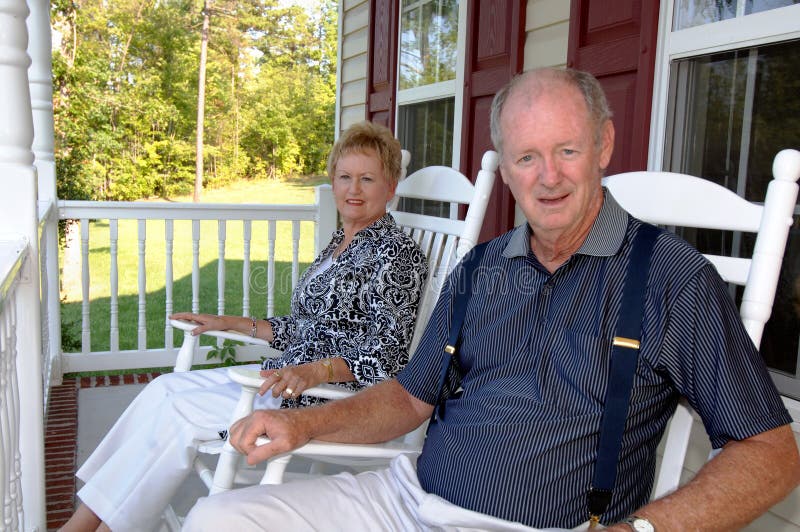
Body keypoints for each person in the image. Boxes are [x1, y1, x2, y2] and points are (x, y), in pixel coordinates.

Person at [182, 68, 800, 531]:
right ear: (505, 168)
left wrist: (642, 530)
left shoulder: (672, 279)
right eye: (526, 157)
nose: (548, 177)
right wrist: (300, 423)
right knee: (217, 521)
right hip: (406, 498)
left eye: (567, 150)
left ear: (604, 146)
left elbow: (771, 454)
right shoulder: (481, 269)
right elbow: (408, 395)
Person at [60, 120, 429, 532]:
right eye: (345, 177)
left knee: (178, 413)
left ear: (391, 186)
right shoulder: (340, 242)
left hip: (322, 396)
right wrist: (230, 322)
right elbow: (306, 329)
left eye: (367, 179)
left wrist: (317, 370)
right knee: (162, 390)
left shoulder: (397, 253)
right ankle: (87, 521)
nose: (353, 190)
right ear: (333, 180)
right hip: (284, 379)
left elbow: (389, 353)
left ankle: (89, 528)